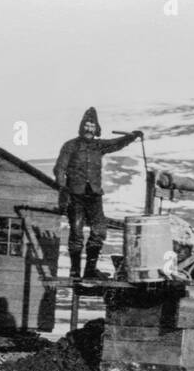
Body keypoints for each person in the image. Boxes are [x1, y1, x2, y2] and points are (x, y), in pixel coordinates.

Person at [54, 108, 141, 279]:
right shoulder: (70, 146)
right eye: (86, 125)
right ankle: (74, 271)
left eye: (91, 126)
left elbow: (116, 143)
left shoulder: (98, 146)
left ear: (96, 128)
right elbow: (60, 168)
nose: (88, 129)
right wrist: (64, 189)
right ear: (81, 127)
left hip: (94, 195)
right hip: (75, 195)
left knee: (99, 231)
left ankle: (89, 271)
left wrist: (132, 136)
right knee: (76, 233)